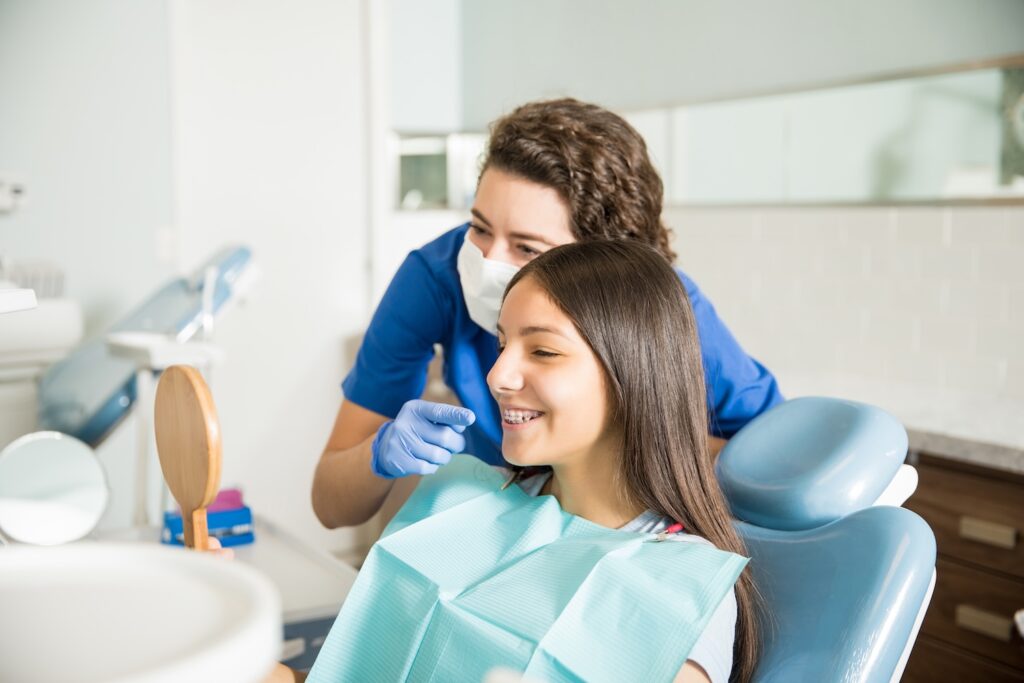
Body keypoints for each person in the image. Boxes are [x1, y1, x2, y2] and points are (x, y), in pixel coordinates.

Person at [269, 240, 757, 683]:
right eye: (502, 345)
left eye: (542, 351)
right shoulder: (460, 498)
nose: (498, 375)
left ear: (632, 374)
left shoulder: (682, 585)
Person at [312, 98, 783, 531]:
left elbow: (779, 471)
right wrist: (380, 453)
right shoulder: (437, 276)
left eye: (527, 248)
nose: (487, 261)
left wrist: (643, 445)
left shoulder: (663, 312)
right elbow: (332, 506)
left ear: (606, 269)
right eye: (479, 227)